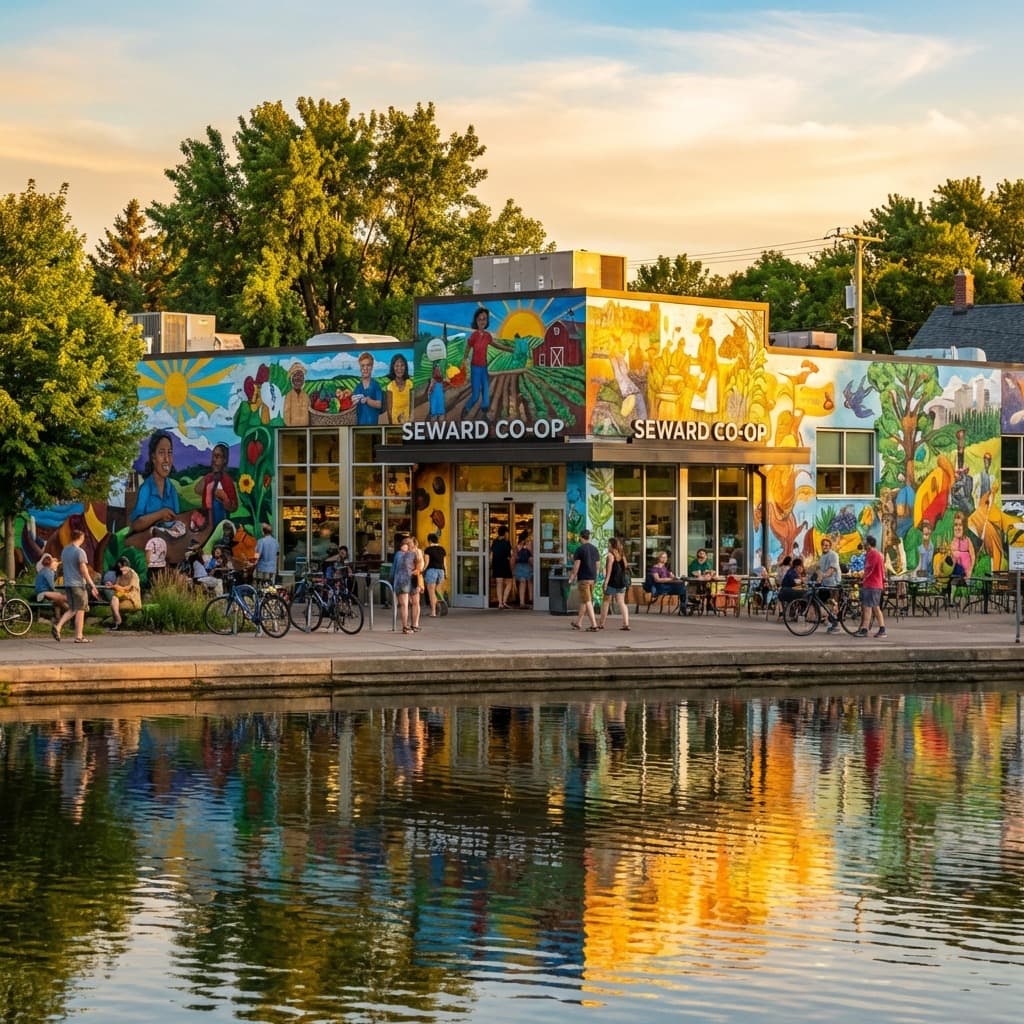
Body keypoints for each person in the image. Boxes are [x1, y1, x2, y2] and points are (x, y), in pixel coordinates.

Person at [54, 529, 100, 643]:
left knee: (73, 608)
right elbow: (83, 569)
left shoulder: (65, 550)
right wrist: (92, 584)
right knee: (81, 609)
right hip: (78, 584)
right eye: (83, 537)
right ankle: (79, 636)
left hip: (68, 583)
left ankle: (58, 626)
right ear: (81, 537)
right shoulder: (79, 552)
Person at [131, 430, 179, 534]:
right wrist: (160, 514)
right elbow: (136, 524)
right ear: (153, 457)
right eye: (161, 453)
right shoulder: (146, 488)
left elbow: (177, 520)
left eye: (169, 453)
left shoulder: (172, 490)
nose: (166, 459)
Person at [192, 442, 238, 532]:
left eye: (217, 456)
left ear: (224, 460)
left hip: (220, 523)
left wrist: (225, 499)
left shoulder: (227, 480)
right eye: (213, 456)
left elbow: (234, 507)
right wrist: (209, 478)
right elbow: (197, 490)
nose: (213, 459)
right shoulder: (209, 478)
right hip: (206, 522)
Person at [855, 534, 887, 639]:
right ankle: (882, 629)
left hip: (872, 584)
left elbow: (869, 569)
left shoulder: (873, 554)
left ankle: (865, 629)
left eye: (865, 542)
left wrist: (862, 576)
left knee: (867, 607)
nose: (863, 544)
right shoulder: (874, 554)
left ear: (869, 544)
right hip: (875, 584)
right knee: (875, 607)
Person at [568, 529, 600, 632]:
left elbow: (576, 565)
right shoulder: (595, 549)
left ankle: (594, 625)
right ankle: (579, 623)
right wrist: (595, 576)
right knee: (584, 601)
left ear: (581, 537)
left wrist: (572, 577)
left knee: (587, 601)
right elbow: (598, 565)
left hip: (583, 579)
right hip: (592, 578)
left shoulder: (579, 550)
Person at [597, 536, 631, 631]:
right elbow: (626, 567)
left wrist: (606, 582)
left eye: (608, 544)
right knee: (621, 602)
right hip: (621, 582)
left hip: (612, 582)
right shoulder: (622, 555)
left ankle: (601, 623)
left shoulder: (610, 556)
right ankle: (626, 623)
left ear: (612, 545)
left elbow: (609, 571)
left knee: (606, 602)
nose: (608, 546)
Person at [107, 557, 142, 630]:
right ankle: (118, 620)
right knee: (114, 599)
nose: (121, 569)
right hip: (121, 595)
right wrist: (111, 585)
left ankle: (118, 621)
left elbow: (129, 587)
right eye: (120, 567)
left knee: (114, 601)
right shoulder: (120, 575)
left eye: (123, 567)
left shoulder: (133, 574)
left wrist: (118, 587)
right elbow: (117, 586)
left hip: (131, 596)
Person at [816, 537, 843, 633]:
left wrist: (823, 576)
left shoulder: (833, 555)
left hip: (833, 583)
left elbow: (832, 569)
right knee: (826, 603)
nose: (825, 547)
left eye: (827, 545)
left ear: (830, 546)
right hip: (825, 583)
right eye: (823, 545)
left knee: (833, 602)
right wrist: (819, 576)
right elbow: (818, 568)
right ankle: (830, 620)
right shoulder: (822, 556)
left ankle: (836, 624)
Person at [391, 536, 417, 635]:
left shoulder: (398, 554)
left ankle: (405, 626)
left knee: (404, 605)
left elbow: (393, 570)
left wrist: (391, 579)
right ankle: (406, 627)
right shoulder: (412, 555)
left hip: (399, 581)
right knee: (407, 605)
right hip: (408, 581)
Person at [352, 351, 384, 425]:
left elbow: (379, 404)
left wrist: (368, 400)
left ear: (372, 367)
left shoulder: (376, 385)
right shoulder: (358, 387)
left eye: (368, 365)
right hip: (358, 428)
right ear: (360, 368)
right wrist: (353, 401)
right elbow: (352, 407)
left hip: (373, 427)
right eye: (363, 366)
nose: (365, 368)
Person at [33, 553, 69, 619]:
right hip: (43, 594)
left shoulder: (42, 571)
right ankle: (72, 612)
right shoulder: (48, 572)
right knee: (61, 597)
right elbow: (52, 586)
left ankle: (58, 618)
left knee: (58, 601)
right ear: (51, 563)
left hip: (40, 593)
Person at [423, 533, 447, 617]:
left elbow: (426, 563)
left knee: (431, 592)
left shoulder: (428, 550)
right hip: (441, 571)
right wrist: (445, 573)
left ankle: (433, 612)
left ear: (429, 540)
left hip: (431, 571)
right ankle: (441, 606)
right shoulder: (442, 549)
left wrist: (422, 570)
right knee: (438, 591)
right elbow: (444, 563)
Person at [490, 524, 513, 609]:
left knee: (499, 583)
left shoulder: (494, 542)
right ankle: (504, 601)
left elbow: (492, 554)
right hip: (504, 564)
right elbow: (509, 555)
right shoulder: (507, 543)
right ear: (505, 533)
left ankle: (500, 603)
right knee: (509, 582)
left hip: (496, 564)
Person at [386, 353, 413, 425]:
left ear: (405, 367)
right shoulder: (390, 386)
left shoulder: (410, 384)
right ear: (393, 367)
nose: (399, 368)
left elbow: (411, 406)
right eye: (396, 366)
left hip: (408, 425)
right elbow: (389, 410)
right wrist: (391, 427)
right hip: (395, 425)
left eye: (402, 365)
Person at [283, 361, 310, 426]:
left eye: (301, 376)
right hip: (292, 432)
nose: (298, 378)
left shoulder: (306, 396)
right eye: (296, 376)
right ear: (292, 379)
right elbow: (286, 415)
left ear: (303, 379)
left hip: (306, 431)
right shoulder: (289, 396)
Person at [408, 535, 425, 631]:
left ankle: (415, 624)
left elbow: (420, 568)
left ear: (414, 544)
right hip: (409, 578)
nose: (408, 545)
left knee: (415, 602)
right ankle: (412, 624)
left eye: (410, 543)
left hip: (415, 577)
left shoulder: (417, 552)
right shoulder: (405, 553)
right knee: (409, 602)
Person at [513, 531, 533, 609]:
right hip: (521, 566)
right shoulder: (517, 547)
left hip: (527, 565)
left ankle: (530, 599)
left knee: (529, 581)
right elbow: (515, 557)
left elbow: (534, 555)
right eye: (527, 538)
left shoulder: (529, 545)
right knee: (523, 582)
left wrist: (529, 549)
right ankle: (522, 602)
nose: (528, 540)